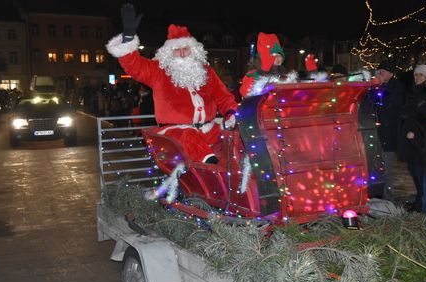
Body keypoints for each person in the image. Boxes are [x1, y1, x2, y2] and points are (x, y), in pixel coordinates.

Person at [106, 4, 238, 164]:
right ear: (169, 53)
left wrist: (231, 114)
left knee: (234, 140)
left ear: (193, 50)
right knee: (191, 139)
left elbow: (223, 96)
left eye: (185, 49)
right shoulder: (159, 71)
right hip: (176, 133)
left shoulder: (206, 71)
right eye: (177, 50)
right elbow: (134, 66)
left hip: (208, 129)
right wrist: (128, 37)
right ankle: (212, 169)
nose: (182, 54)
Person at [398, 64, 426, 211]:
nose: (417, 78)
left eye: (421, 75)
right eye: (416, 75)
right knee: (414, 171)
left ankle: (423, 202)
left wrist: (417, 132)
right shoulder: (412, 91)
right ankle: (419, 199)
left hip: (422, 138)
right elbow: (406, 112)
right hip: (409, 136)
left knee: (420, 171)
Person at [373, 60, 406, 200]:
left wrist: (381, 89)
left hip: (389, 136)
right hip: (377, 135)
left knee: (387, 169)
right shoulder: (377, 88)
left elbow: (394, 105)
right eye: (379, 72)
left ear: (391, 74)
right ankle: (379, 194)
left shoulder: (397, 88)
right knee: (377, 168)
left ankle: (388, 197)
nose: (380, 74)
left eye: (383, 72)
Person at [239, 32, 297, 98]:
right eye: (273, 55)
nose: (277, 58)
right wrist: (264, 71)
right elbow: (245, 93)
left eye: (279, 55)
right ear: (264, 57)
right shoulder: (253, 74)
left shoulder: (285, 75)